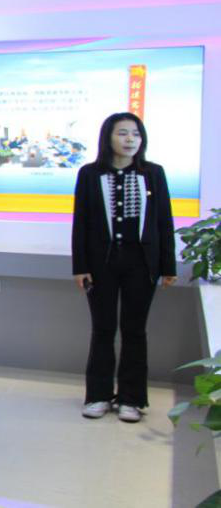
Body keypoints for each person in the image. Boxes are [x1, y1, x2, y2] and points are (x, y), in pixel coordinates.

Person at [72, 112, 176, 423]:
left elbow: (164, 221)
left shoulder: (153, 173)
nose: (130, 139)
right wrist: (80, 266)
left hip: (142, 266)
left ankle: (132, 399)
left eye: (136, 134)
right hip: (101, 265)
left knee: (134, 331)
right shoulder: (89, 173)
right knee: (102, 330)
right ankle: (98, 395)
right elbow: (81, 222)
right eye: (123, 133)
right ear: (108, 137)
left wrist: (168, 265)